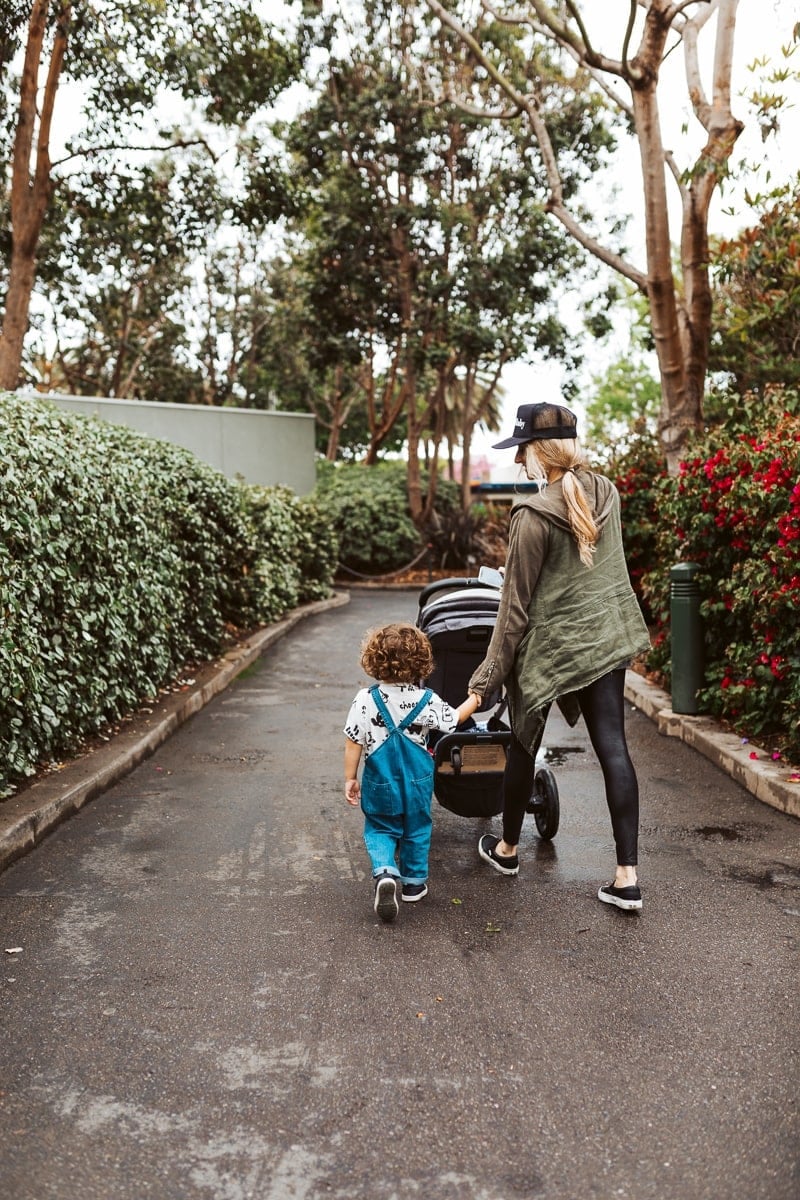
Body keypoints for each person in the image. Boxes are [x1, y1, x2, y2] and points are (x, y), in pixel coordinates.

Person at [468, 402, 651, 911]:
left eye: (520, 449)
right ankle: (626, 878)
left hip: (549, 649)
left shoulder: (530, 515)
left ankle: (507, 850)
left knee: (523, 743)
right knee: (613, 747)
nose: (518, 459)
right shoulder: (607, 494)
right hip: (604, 641)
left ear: (535, 452)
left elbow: (514, 612)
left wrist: (483, 682)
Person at [344, 622, 480, 922]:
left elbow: (354, 738)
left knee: (380, 827)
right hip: (417, 780)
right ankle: (414, 885)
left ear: (374, 659)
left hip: (380, 780)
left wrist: (351, 778)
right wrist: (475, 698)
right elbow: (454, 720)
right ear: (422, 662)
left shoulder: (365, 699)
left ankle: (385, 872)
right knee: (417, 828)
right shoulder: (427, 700)